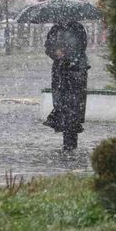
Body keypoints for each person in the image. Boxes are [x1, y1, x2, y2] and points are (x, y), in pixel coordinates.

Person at [43, 20, 90, 151]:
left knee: (73, 107)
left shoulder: (77, 28)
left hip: (76, 72)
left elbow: (81, 47)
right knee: (62, 105)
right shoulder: (55, 29)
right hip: (61, 72)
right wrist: (55, 52)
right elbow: (48, 47)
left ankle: (70, 140)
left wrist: (66, 53)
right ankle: (68, 137)